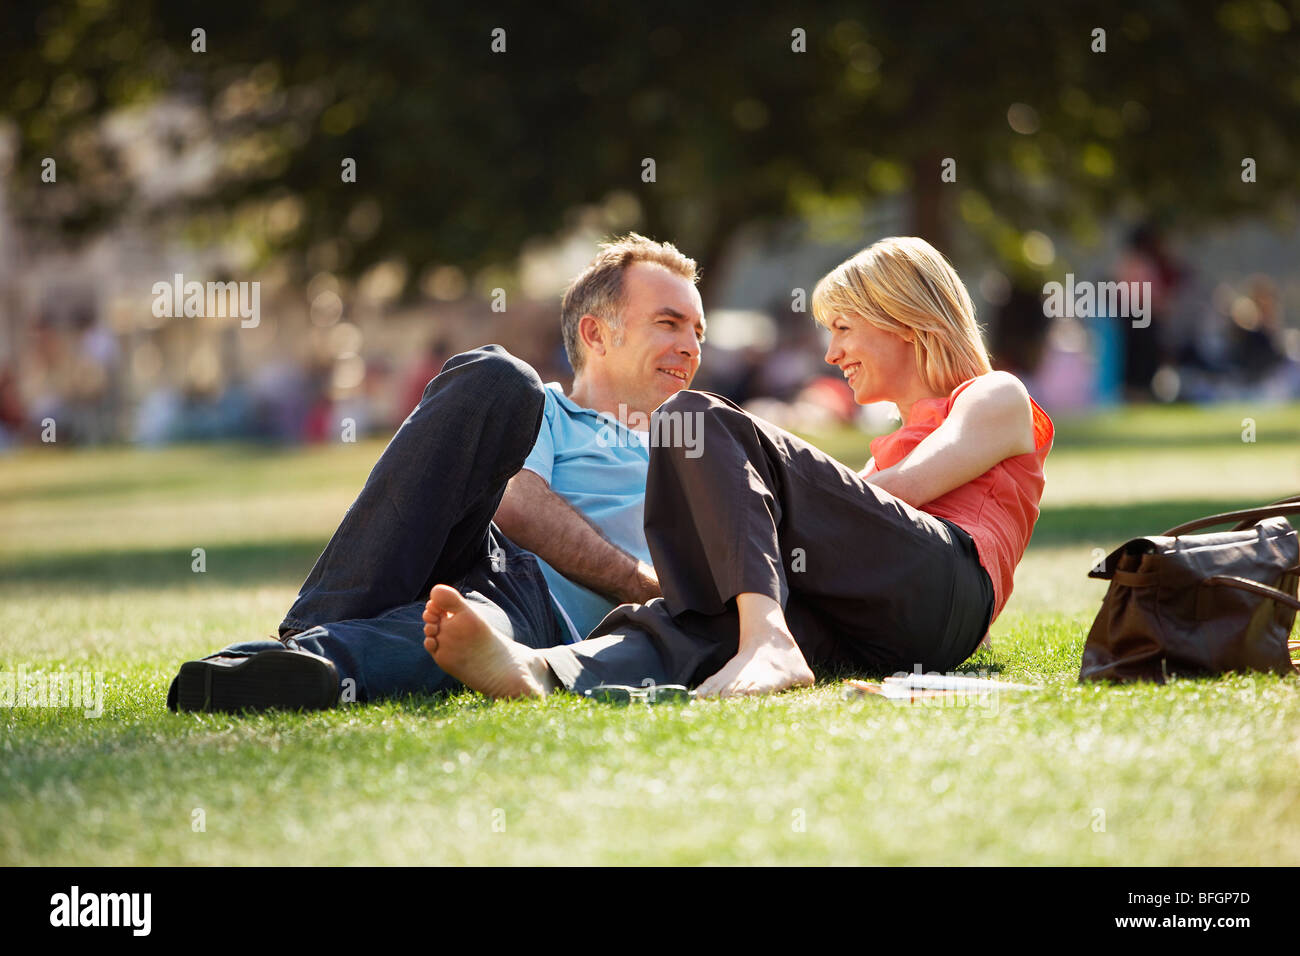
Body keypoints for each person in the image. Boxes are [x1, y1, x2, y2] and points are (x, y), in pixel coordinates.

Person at [421, 237, 1054, 699]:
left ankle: (768, 643)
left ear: (904, 321)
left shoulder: (994, 394)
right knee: (706, 612)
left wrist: (760, 496)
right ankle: (548, 670)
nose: (832, 352)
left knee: (695, 419)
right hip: (890, 630)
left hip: (942, 586)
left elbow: (911, 493)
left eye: (844, 327)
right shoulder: (884, 447)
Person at [168, 234, 706, 711]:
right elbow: (516, 504)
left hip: (537, 613)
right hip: (480, 544)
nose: (691, 347)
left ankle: (289, 666)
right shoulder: (542, 411)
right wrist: (643, 585)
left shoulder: (704, 449)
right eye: (669, 323)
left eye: (698, 332)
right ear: (596, 334)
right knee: (499, 375)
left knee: (454, 631)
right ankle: (314, 626)